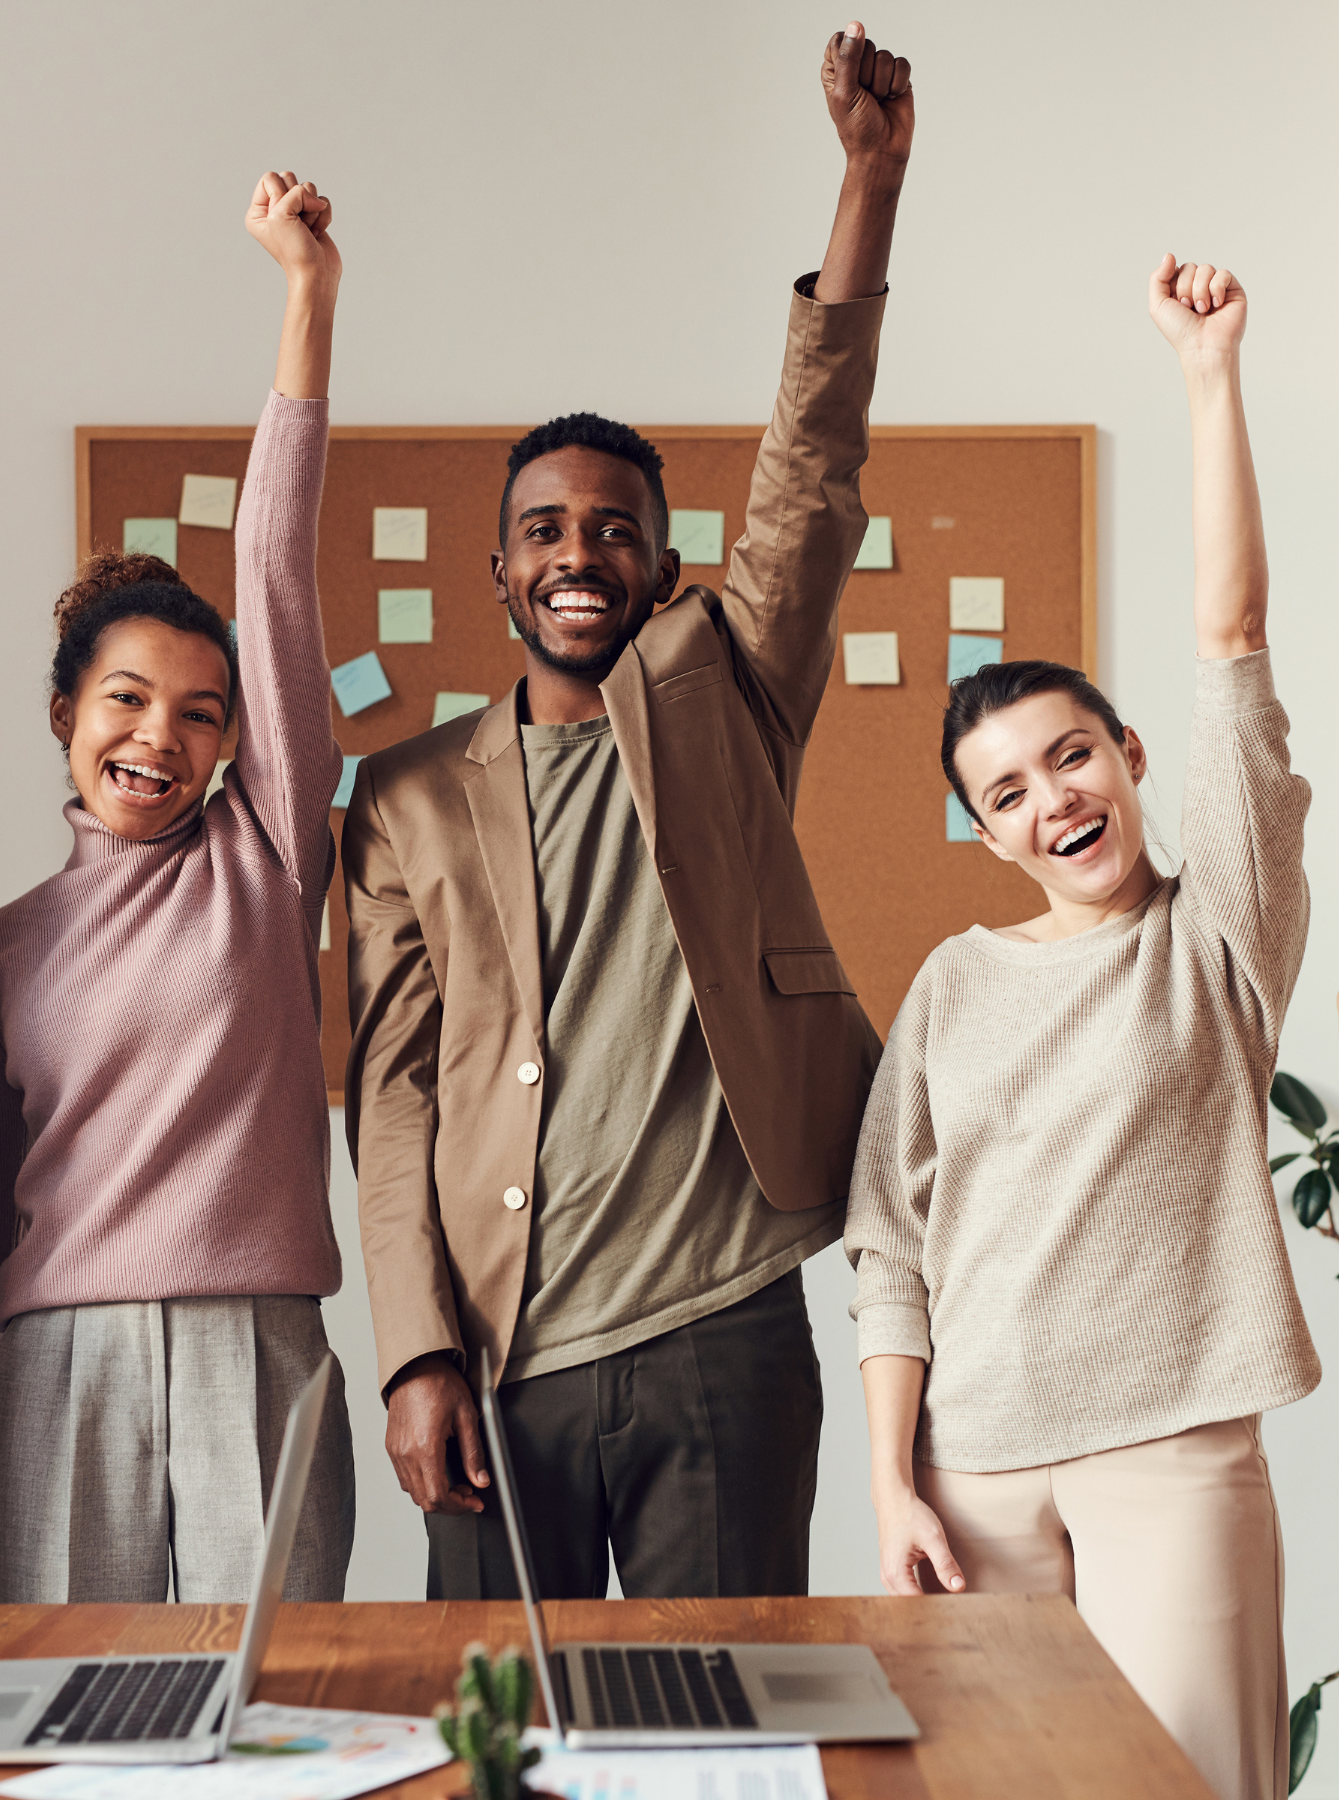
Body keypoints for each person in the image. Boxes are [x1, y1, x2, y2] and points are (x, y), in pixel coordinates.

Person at [343, 23, 911, 1602]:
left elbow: (811, 469)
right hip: (498, 1348)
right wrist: (412, 1356)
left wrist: (869, 185)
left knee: (716, 1735)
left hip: (720, 1327)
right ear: (502, 571)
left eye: (613, 530)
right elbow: (390, 1102)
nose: (577, 552)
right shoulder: (401, 801)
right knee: (494, 1735)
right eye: (543, 530)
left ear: (664, 568)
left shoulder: (726, 690)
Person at [843, 255, 1319, 1800]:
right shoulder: (952, 985)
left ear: (1125, 755)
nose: (1055, 801)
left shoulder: (1216, 941)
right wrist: (893, 1478)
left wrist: (1207, 380)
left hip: (1171, 1458)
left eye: (1072, 758)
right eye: (1010, 792)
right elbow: (889, 1249)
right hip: (971, 1474)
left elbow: (1232, 640)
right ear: (985, 831)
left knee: (1192, 1790)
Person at [0, 171, 354, 1603]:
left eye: (202, 712)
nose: (162, 735)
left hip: (253, 1345)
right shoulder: (13, 942)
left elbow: (270, 569)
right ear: (67, 711)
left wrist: (306, 296)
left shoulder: (263, 858)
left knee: (270, 1716)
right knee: (52, 1722)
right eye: (128, 699)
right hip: (50, 1356)